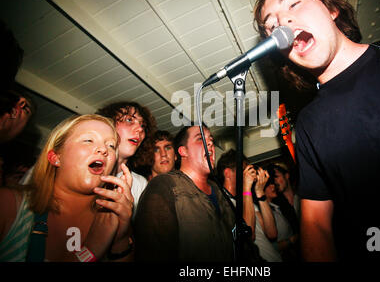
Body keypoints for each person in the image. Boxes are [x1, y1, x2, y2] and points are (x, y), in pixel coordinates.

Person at [253, 0, 380, 261]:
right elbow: (316, 223)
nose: (282, 24)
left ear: (331, 8)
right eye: (272, 27)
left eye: (294, 3)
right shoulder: (308, 124)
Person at [0, 114, 134, 261]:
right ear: (55, 157)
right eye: (88, 140)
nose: (103, 149)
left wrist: (121, 237)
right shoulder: (8, 204)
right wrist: (90, 251)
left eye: (111, 145)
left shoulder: (111, 219)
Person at [134, 125, 235, 261]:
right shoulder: (163, 186)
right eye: (200, 139)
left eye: (211, 139)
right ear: (183, 151)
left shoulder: (218, 191)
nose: (210, 143)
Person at [217, 149, 282, 262]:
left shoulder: (247, 200)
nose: (248, 175)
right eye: (243, 171)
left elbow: (272, 233)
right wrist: (246, 188)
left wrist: (260, 193)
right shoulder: (223, 204)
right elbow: (248, 237)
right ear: (227, 173)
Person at [96, 102, 156, 214]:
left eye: (143, 125)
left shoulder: (139, 184)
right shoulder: (86, 171)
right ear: (109, 124)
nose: (140, 129)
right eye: (129, 120)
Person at [263, 170, 300, 262]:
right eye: (269, 184)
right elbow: (267, 247)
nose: (273, 186)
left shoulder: (277, 207)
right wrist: (292, 240)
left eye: (273, 183)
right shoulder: (262, 213)